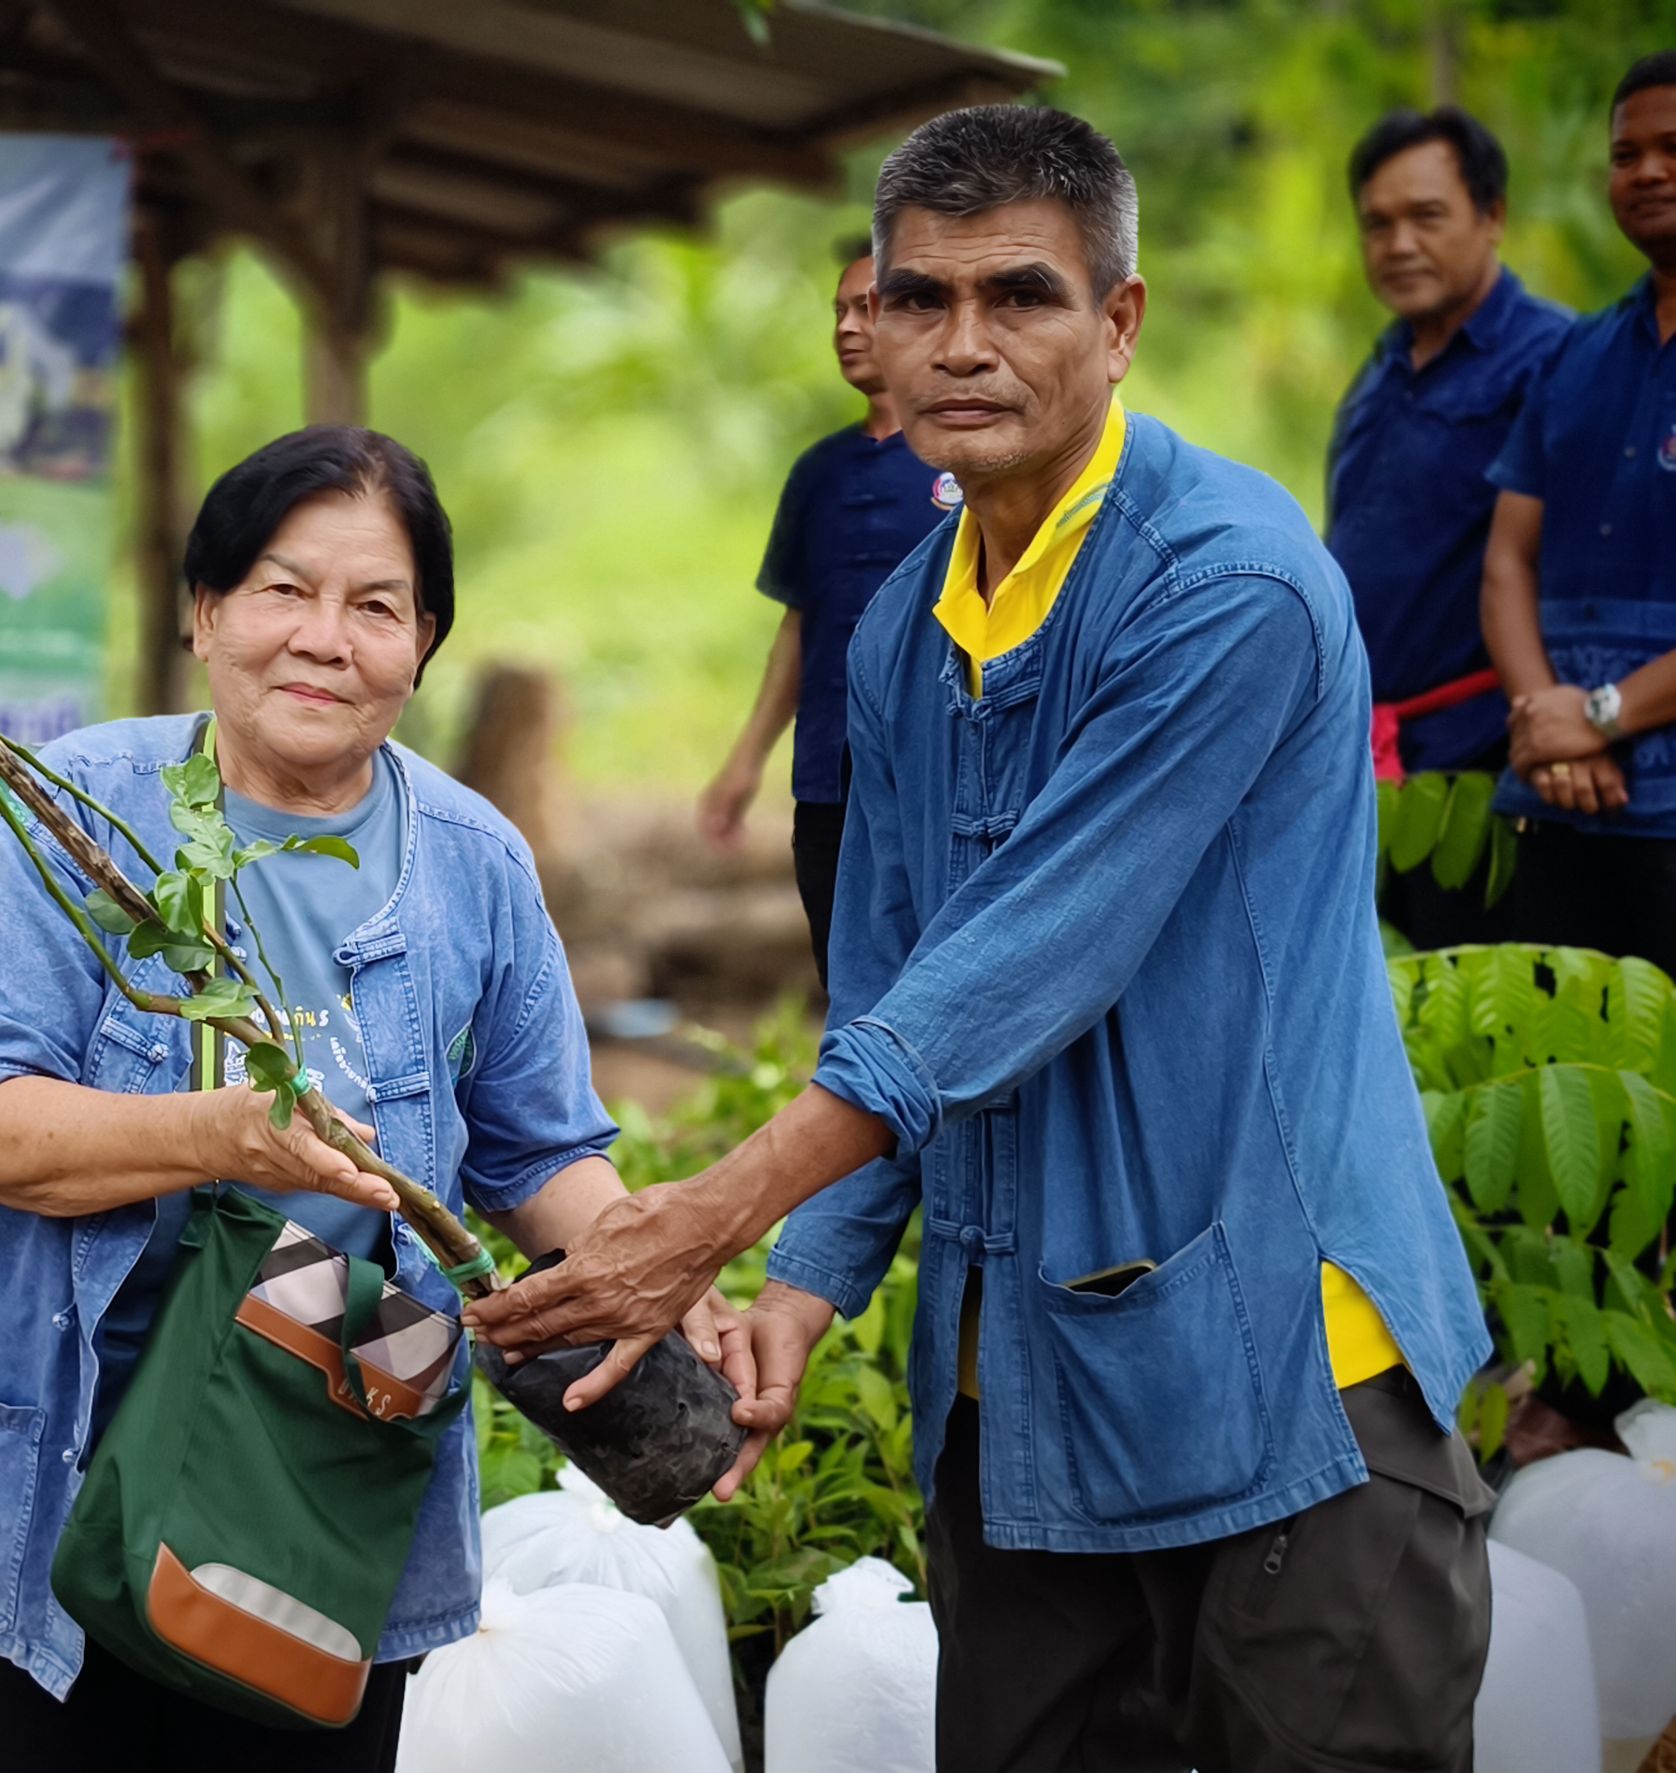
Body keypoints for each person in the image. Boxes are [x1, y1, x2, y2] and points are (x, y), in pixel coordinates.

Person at [469, 106, 1494, 1773]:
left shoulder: (1223, 579)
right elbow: (883, 979)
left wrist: (713, 1211)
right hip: (1010, 1393)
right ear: (860, 326)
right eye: (920, 299)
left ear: (1118, 321)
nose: (962, 343)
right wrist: (799, 1283)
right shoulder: (896, 625)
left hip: (1287, 1379)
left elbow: (1026, 953)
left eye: (1016, 296)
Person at [0, 427, 746, 1771]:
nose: (324, 640)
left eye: (377, 607)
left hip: (326, 1486)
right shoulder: (77, 819)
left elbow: (541, 1154)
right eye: (283, 591)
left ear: (423, 646)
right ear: (206, 610)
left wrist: (652, 1268)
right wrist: (219, 1133)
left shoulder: (472, 864)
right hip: (62, 1473)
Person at [1327, 106, 1569, 948]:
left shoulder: (1553, 361)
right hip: (1369, 761)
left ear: (1492, 216)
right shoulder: (1385, 363)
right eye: (1378, 224)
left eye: (1426, 217)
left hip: (1483, 770)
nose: (1398, 244)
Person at [698, 240, 959, 984]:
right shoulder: (817, 473)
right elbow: (799, 623)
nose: (846, 326)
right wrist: (744, 762)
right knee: (846, 984)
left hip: (940, 775)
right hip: (827, 781)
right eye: (838, 311)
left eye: (867, 307)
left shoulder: (969, 457)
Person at [1480, 50, 1676, 982]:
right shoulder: (1576, 354)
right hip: (1561, 804)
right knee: (1556, 1094)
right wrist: (1546, 720)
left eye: (1673, 148)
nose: (1645, 172)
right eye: (1625, 152)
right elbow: (1508, 562)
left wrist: (1597, 715)